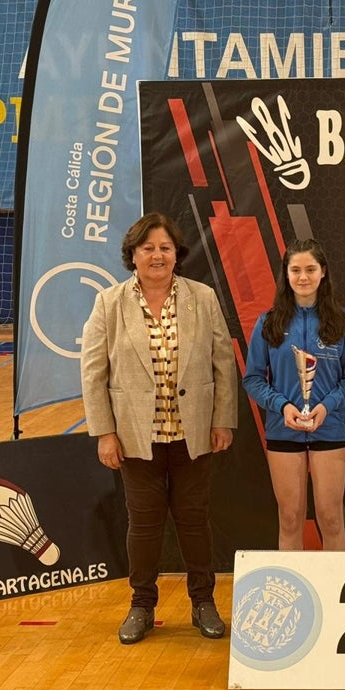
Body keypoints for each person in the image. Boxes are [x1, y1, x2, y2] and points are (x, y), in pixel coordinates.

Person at [80, 212, 238, 645]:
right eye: (147, 248)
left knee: (194, 520)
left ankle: (203, 602)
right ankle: (141, 605)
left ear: (177, 254)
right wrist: (104, 433)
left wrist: (222, 419)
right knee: (144, 525)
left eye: (165, 248)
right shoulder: (109, 303)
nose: (157, 255)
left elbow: (223, 362)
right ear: (132, 254)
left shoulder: (201, 297)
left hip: (194, 435)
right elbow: (93, 372)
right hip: (135, 438)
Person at [242, 239, 345, 551]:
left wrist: (326, 406)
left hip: (330, 428)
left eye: (310, 269)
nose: (303, 277)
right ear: (286, 274)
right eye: (296, 270)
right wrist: (282, 407)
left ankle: (336, 596)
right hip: (283, 431)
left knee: (331, 518)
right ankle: (292, 598)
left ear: (323, 273)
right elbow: (253, 380)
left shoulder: (343, 321)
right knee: (291, 518)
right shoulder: (268, 323)